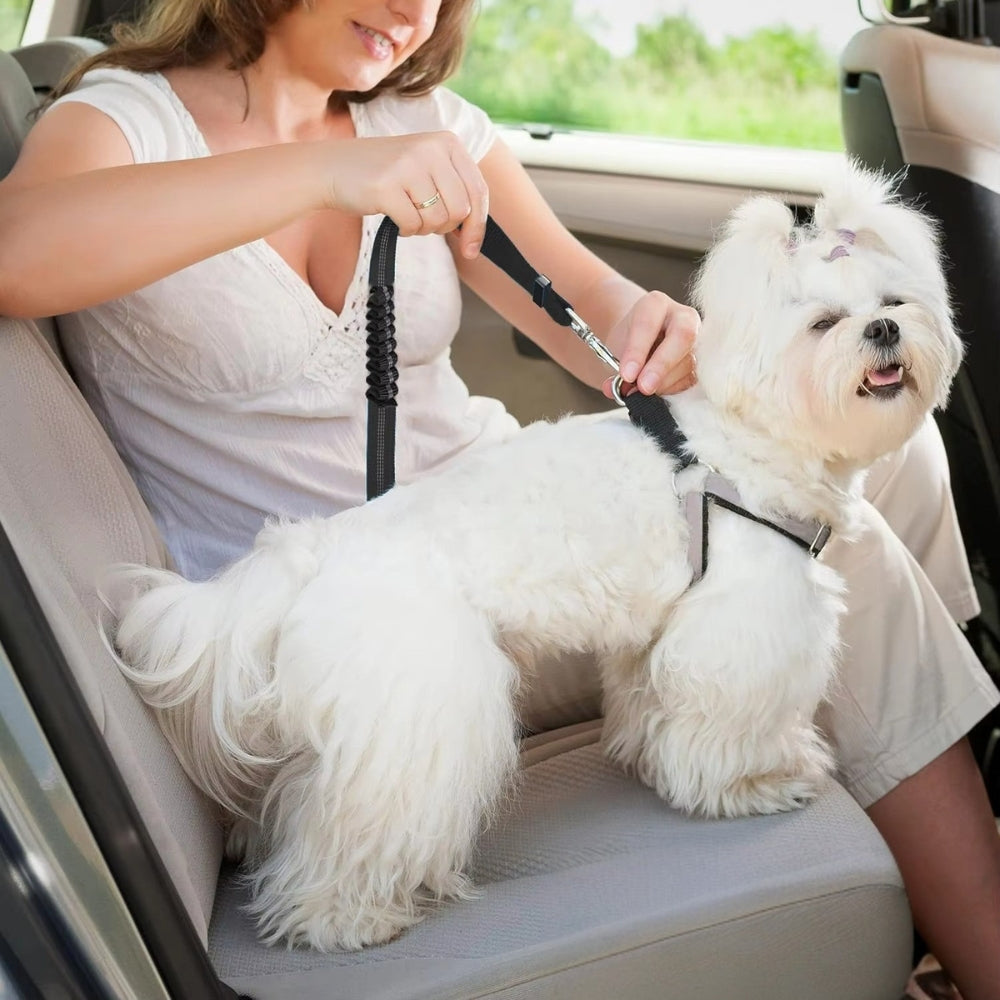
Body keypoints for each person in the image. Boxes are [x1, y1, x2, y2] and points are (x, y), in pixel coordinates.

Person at [0, 0, 996, 994]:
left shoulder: (424, 123)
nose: (413, 10)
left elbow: (585, 305)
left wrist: (648, 325)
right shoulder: (122, 124)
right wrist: (325, 173)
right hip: (338, 629)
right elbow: (13, 253)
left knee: (889, 460)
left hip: (511, 543)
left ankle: (928, 808)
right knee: (826, 545)